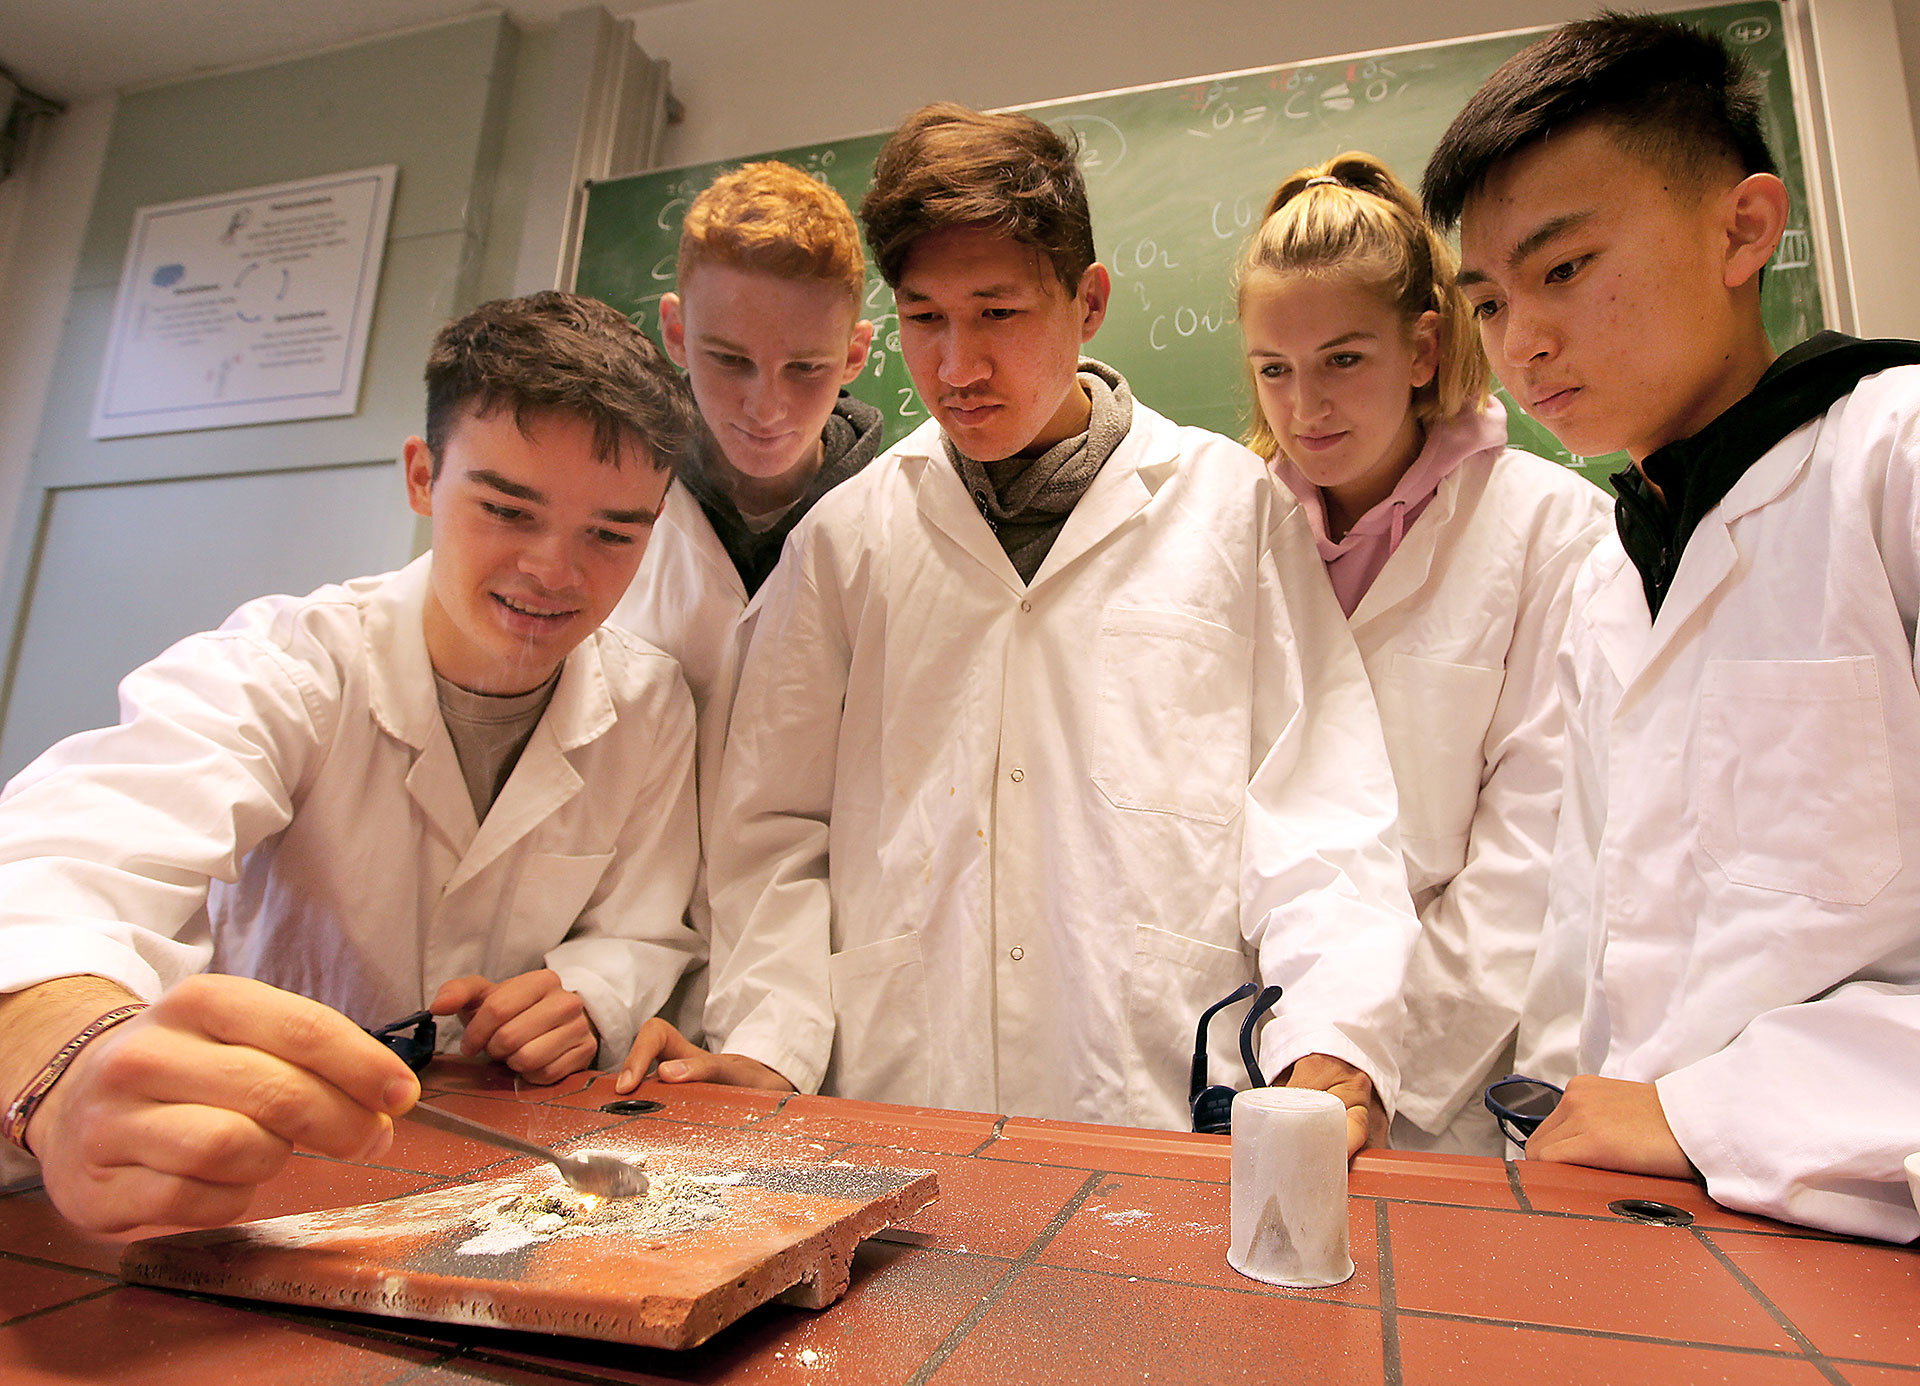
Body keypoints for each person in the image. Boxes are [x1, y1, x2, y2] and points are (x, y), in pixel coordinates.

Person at [675, 102, 1421, 1152]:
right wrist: (772, 1036)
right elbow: (770, 830)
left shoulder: (1228, 506)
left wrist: (1334, 1029)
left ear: (1090, 302)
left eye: (998, 314)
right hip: (898, 1101)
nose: (957, 366)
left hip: (1152, 1087)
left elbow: (1322, 807)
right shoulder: (850, 540)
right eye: (925, 319)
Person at [0, 290, 705, 1235]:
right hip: (253, 1181)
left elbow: (649, 927)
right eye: (506, 508)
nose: (554, 572)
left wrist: (589, 993)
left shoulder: (650, 702)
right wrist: (59, 1053)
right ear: (423, 477)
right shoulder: (287, 668)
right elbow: (63, 865)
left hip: (489, 1162)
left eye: (612, 534)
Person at [1424, 11, 1920, 1239]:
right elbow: (1596, 935)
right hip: (1645, 1224)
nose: (1520, 343)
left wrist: (1716, 1111)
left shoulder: (1892, 461)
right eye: (1488, 302)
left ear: (1744, 228)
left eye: (1563, 270)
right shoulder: (1619, 563)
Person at [1236, 153, 1610, 1154]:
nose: (1304, 407)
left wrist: (1374, 1065)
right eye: (1275, 369)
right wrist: (1306, 1048)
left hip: (1455, 1081)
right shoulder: (1232, 526)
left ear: (1421, 348)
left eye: (1343, 360)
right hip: (1262, 1048)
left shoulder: (1550, 530)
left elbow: (1532, 851)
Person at [606, 164, 879, 1086]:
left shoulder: (897, 533)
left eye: (806, 368)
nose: (766, 406)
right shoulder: (608, 520)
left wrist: (777, 1035)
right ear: (675, 331)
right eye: (728, 360)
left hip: (831, 1033)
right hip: (619, 1005)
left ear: (856, 355)